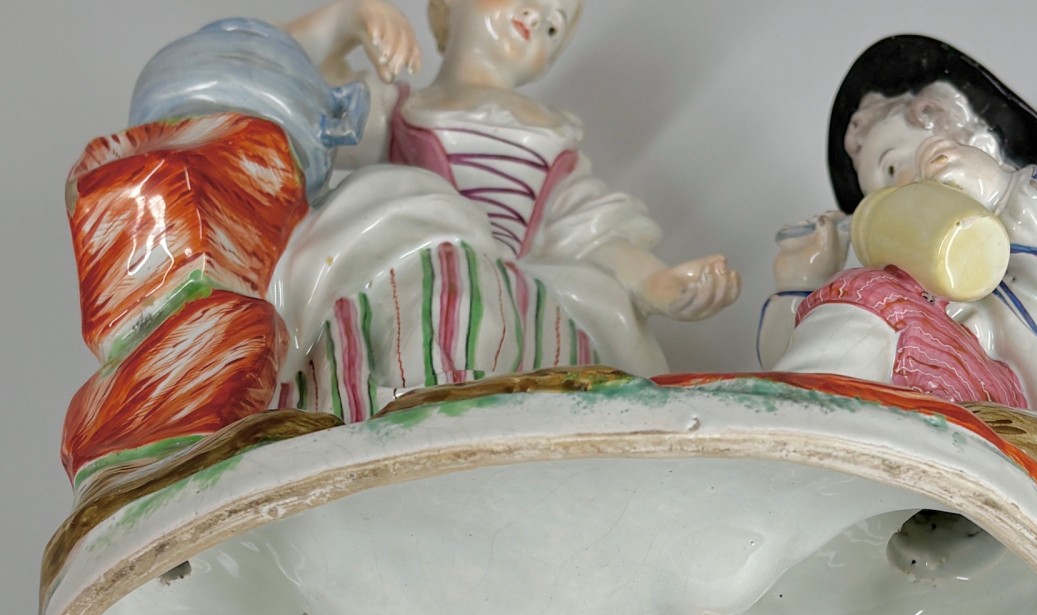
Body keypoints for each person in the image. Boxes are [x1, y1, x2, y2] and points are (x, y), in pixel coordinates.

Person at [270, 0, 740, 414]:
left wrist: (659, 286)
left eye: (554, 25)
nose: (536, 16)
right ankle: (420, 399)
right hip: (423, 271)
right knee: (445, 271)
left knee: (576, 311)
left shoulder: (554, 143)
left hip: (519, 294)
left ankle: (505, 421)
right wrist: (348, 20)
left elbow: (593, 233)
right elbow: (281, 76)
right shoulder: (397, 111)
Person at [761, 35, 1037, 467]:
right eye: (875, 194)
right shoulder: (892, 286)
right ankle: (798, 425)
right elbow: (789, 364)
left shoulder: (1014, 269)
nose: (890, 194)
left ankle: (803, 419)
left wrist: (998, 188)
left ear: (977, 147)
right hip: (903, 408)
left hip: (996, 413)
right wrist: (800, 284)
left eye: (893, 166)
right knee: (862, 295)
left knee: (867, 293)